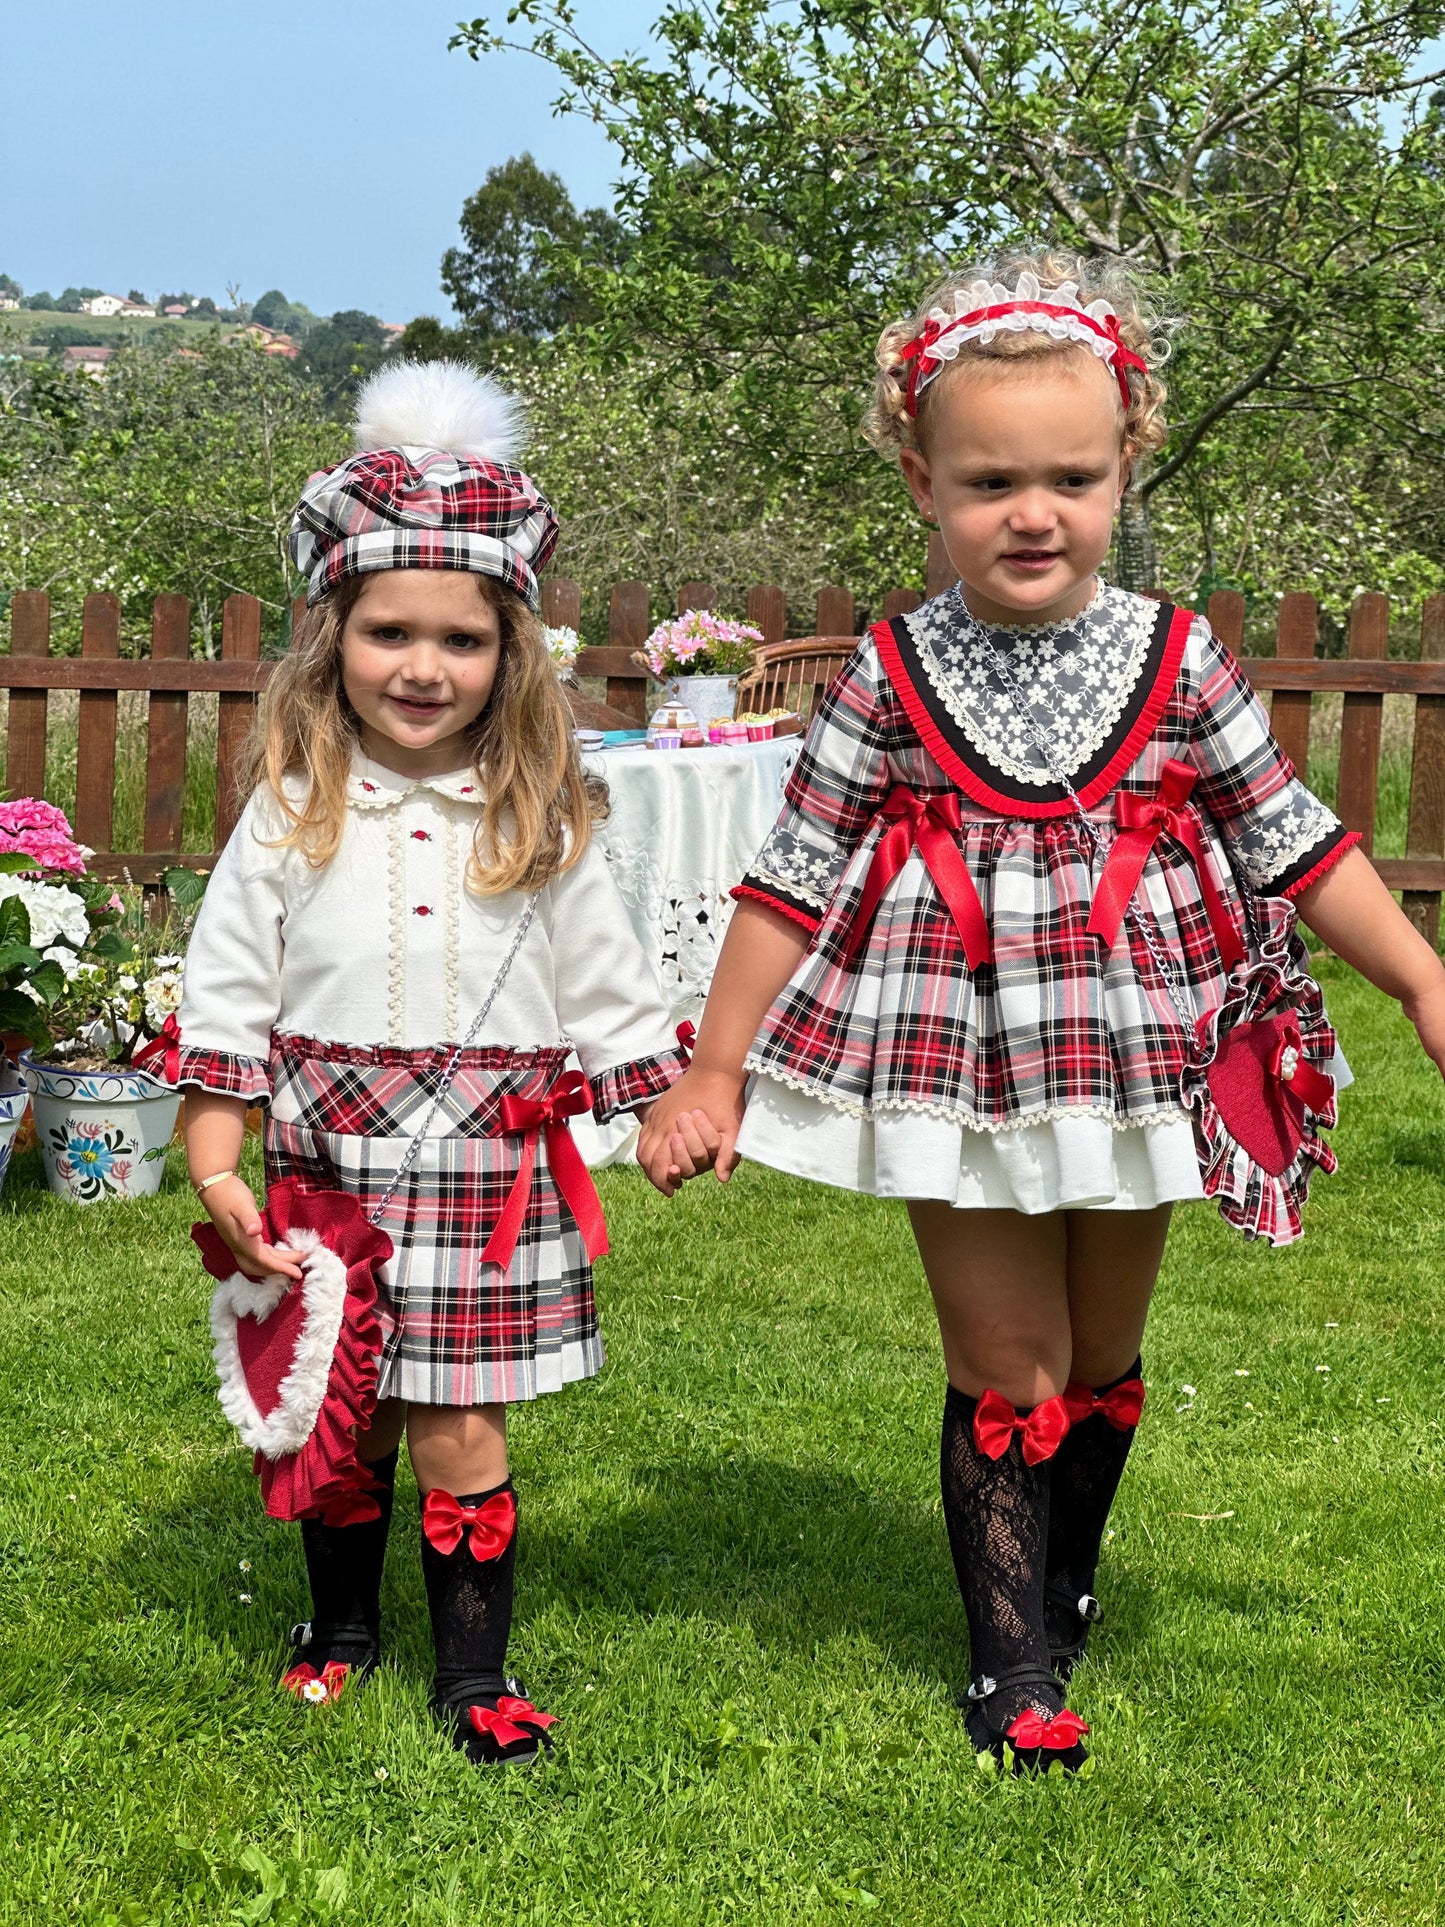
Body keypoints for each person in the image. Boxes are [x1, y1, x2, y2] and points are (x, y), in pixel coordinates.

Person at [639, 256, 1445, 1772]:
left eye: (1071, 477)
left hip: (1141, 1064)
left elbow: (1295, 837)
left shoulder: (1180, 656)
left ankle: (1061, 1591)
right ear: (920, 477)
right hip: (958, 1065)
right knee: (1008, 1365)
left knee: (1096, 1362)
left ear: (1124, 463)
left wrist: (1419, 978)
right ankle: (1010, 1666)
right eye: (990, 478)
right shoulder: (888, 672)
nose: (1033, 511)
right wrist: (714, 1070)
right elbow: (789, 875)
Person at [177, 361, 689, 1766]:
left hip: (488, 1173)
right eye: (389, 631)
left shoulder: (545, 818)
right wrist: (219, 1170)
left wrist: (663, 1109)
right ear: (331, 639)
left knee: (459, 1429)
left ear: (508, 653)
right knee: (337, 1428)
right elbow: (226, 999)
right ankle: (338, 1632)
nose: (421, 667)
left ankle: (474, 1675)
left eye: (458, 640)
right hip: (325, 1169)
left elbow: (612, 990)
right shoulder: (292, 810)